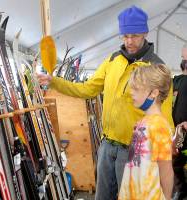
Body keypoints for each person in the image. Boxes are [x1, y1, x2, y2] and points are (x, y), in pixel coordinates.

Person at [37, 5, 174, 200]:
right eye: (124, 36)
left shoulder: (155, 68)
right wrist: (54, 82)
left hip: (133, 151)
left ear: (145, 32)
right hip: (106, 147)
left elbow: (165, 118)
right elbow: (87, 89)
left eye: (134, 35)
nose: (129, 41)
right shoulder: (112, 60)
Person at [118, 64, 174, 200]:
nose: (131, 92)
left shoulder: (159, 126)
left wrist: (166, 197)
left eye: (136, 88)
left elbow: (166, 170)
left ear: (153, 93)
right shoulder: (145, 121)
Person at [172, 44, 187, 200]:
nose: (184, 61)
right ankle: (181, 190)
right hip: (179, 132)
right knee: (176, 162)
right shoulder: (176, 80)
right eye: (183, 58)